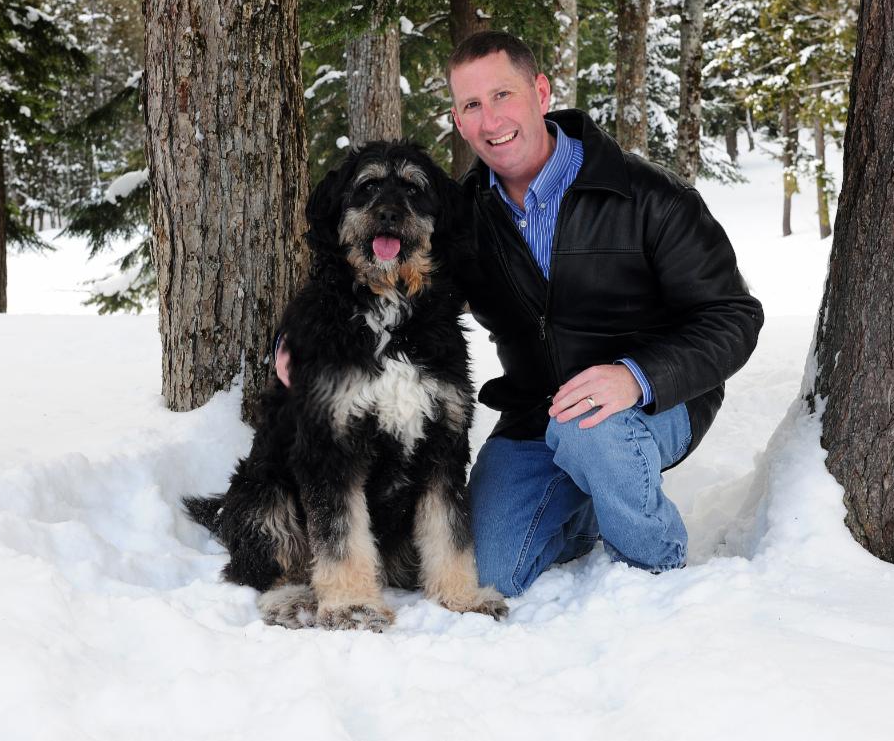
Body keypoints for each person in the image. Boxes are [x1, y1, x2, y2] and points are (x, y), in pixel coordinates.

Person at [275, 30, 762, 598]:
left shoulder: (648, 195)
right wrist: (301, 337)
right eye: (472, 105)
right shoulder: (459, 212)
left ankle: (657, 577)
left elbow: (733, 316)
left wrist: (636, 376)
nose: (491, 119)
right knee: (494, 570)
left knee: (592, 432)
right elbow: (400, 294)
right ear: (458, 120)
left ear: (541, 91)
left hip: (653, 400)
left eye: (502, 95)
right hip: (537, 413)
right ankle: (591, 501)